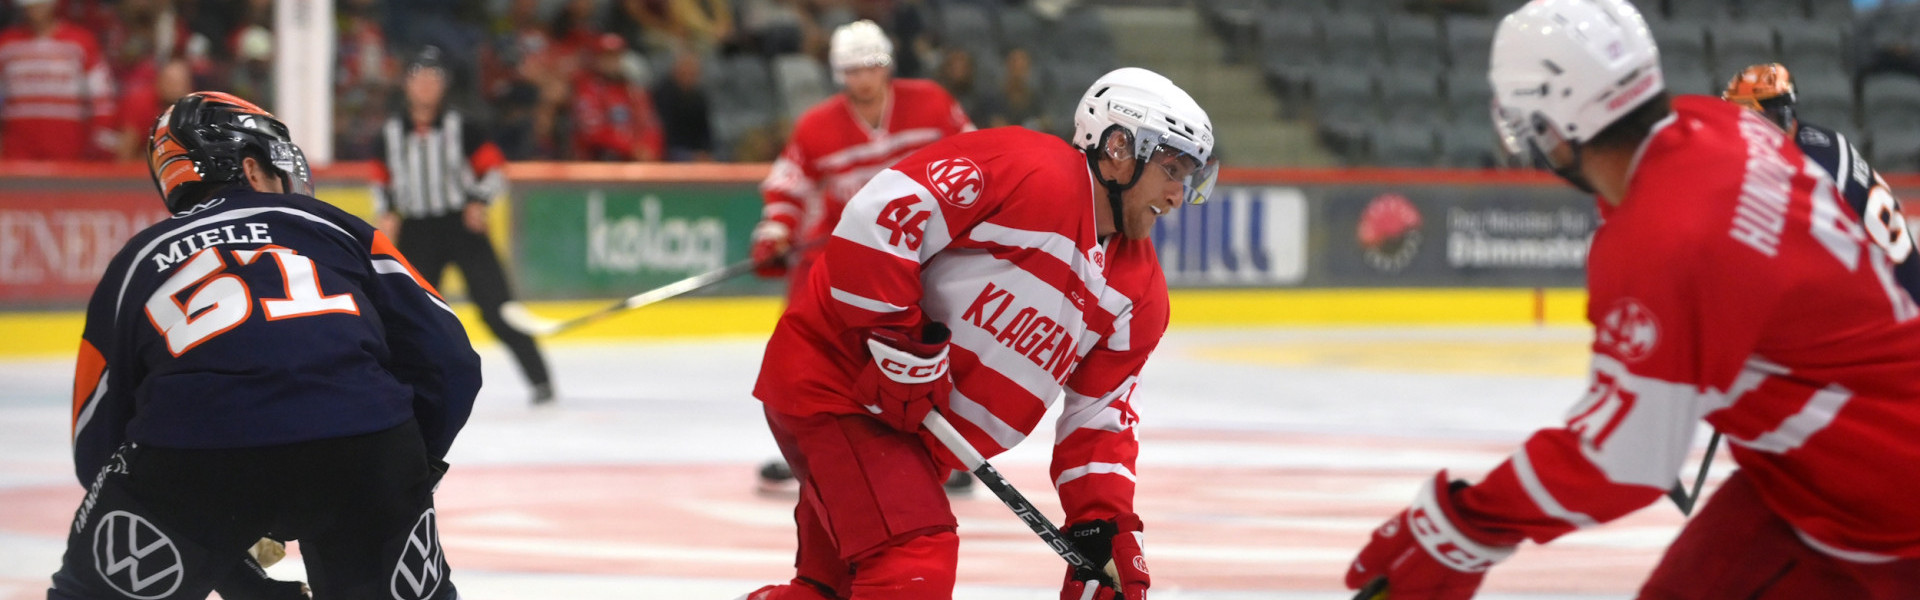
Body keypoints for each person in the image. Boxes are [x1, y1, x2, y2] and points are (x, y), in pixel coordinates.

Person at [1346, 1, 1920, 598]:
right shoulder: (1725, 126)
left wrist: (1465, 523)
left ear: (1550, 126)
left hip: (1885, 515)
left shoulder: (1667, 238)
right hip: (1812, 475)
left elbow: (1626, 459)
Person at [738, 66, 1218, 600]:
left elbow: (1102, 413)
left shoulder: (1140, 292)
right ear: (1119, 147)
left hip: (915, 442)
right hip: (841, 386)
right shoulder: (1025, 168)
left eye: (1189, 176)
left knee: (833, 589)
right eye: (1172, 169)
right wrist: (900, 344)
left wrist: (1101, 524)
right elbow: (880, 217)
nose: (1179, 195)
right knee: (912, 561)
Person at [49, 91, 480, 599]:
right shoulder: (333, 225)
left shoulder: (138, 259)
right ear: (252, 169)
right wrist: (406, 473)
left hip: (197, 448)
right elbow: (450, 360)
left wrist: (223, 563)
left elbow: (95, 436)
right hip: (365, 437)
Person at [749, 18, 977, 495]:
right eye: (852, 70)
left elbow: (972, 160)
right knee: (810, 345)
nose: (864, 79)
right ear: (838, 74)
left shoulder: (932, 104)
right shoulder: (816, 127)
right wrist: (776, 232)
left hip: (922, 253)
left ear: (887, 65)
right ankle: (808, 444)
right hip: (842, 257)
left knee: (933, 349)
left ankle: (943, 449)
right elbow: (789, 185)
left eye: (872, 67)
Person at [375, 46, 556, 405]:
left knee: (497, 308)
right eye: (419, 78)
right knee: (412, 314)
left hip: (462, 227)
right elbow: (382, 182)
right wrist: (388, 212)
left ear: (444, 86)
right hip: (417, 231)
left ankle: (541, 381)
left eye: (433, 79)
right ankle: (404, 386)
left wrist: (479, 201)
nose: (426, 86)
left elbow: (494, 171)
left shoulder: (464, 125)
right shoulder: (390, 132)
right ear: (407, 85)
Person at [1723, 62, 1920, 299]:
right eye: (1743, 117)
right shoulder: (1815, 147)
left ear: (1785, 114)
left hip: (1881, 292)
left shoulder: (1819, 163)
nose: (1753, 129)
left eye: (1765, 117)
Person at [0, 0, 117, 160]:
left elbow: (101, 94)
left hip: (69, 146)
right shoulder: (7, 44)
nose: (35, 10)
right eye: (29, 6)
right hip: (17, 148)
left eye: (40, 5)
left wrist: (101, 136)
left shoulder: (81, 41)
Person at [570, 33, 665, 162]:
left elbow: (651, 125)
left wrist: (650, 149)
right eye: (607, 56)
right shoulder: (587, 88)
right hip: (598, 162)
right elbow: (592, 132)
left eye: (616, 56)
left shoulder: (632, 89)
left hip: (635, 162)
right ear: (597, 58)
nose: (612, 62)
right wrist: (631, 148)